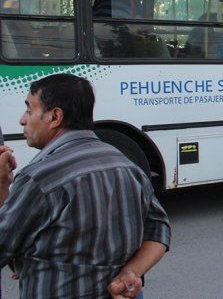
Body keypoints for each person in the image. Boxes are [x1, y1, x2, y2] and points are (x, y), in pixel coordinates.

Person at [0, 74, 170, 299]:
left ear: (55, 116)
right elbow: (159, 228)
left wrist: (2, 185)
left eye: (30, 110)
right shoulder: (128, 166)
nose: (23, 119)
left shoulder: (39, 178)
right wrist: (131, 272)